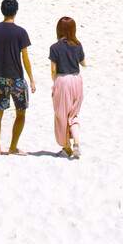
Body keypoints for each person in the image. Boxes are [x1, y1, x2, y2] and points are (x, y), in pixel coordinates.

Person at [0, 0, 35, 155]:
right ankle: (12, 147)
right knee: (21, 112)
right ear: (16, 11)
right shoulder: (21, 32)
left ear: (2, 10)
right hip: (17, 78)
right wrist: (31, 79)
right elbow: (25, 58)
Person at [48, 15, 86, 159]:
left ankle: (66, 148)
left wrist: (55, 82)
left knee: (61, 116)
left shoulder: (54, 48)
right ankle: (76, 142)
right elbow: (83, 63)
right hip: (77, 80)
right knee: (73, 115)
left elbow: (53, 70)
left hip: (63, 81)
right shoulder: (77, 44)